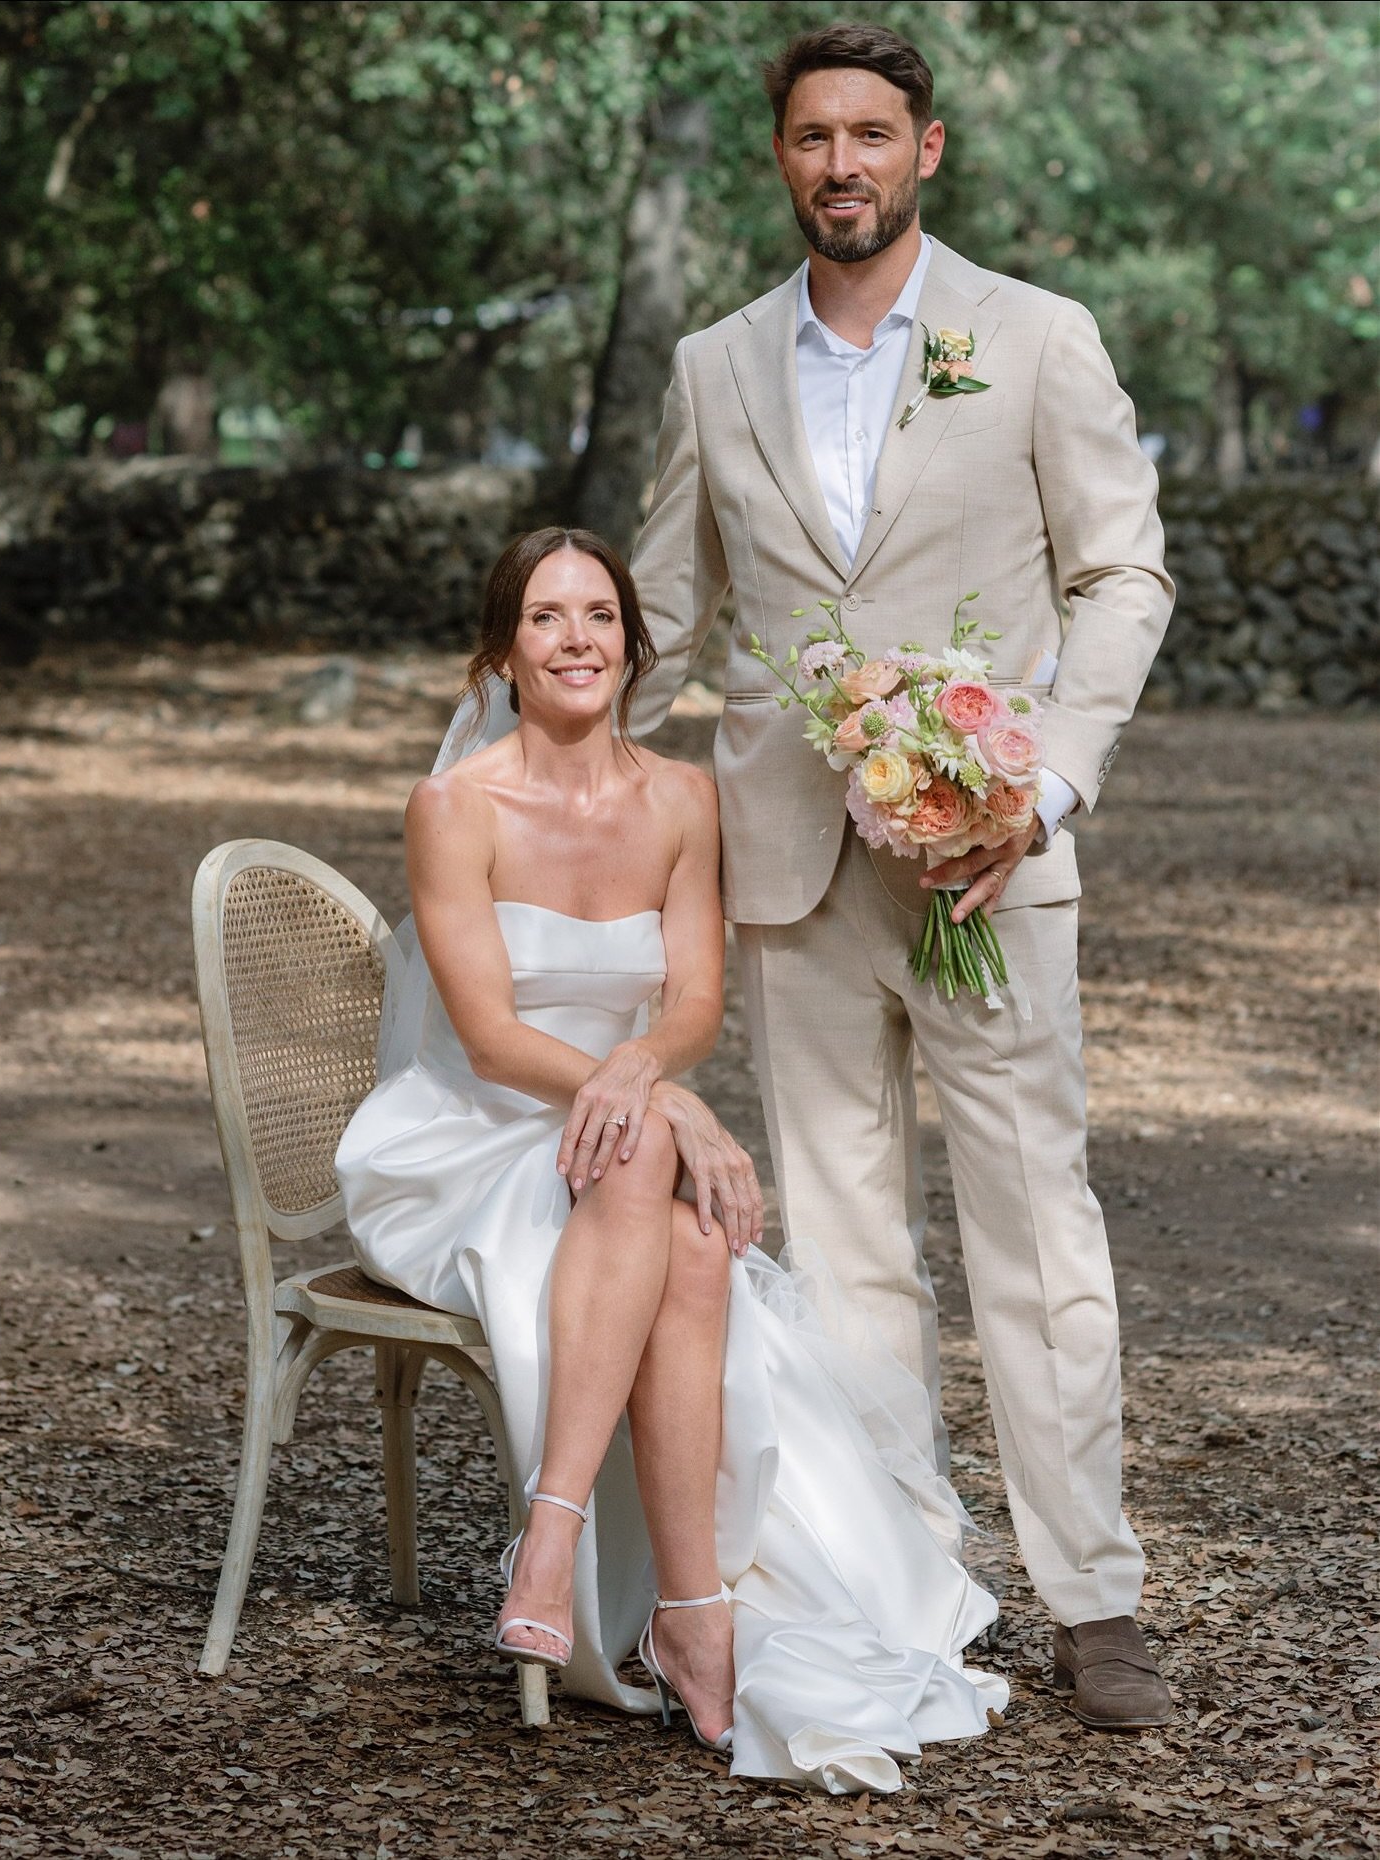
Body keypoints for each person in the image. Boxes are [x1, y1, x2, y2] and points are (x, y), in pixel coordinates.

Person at [627, 21, 1175, 1731]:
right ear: (780, 158)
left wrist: (1050, 783)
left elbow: (1123, 574)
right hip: (789, 872)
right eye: (813, 137)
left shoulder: (1034, 337)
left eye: (873, 133)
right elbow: (658, 612)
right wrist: (521, 747)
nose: (843, 163)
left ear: (924, 151)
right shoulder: (715, 366)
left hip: (985, 873)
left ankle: (1093, 1596)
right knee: (850, 1252)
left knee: (1036, 1235)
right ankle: (905, 1592)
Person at [335, 527, 1009, 1793]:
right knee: (660, 1173)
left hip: (610, 1124)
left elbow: (693, 1006)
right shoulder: (454, 806)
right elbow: (483, 1039)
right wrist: (660, 1102)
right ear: (503, 650)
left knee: (693, 1234)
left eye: (601, 615)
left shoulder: (683, 797)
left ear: (637, 647)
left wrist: (657, 1083)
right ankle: (628, 1579)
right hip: (468, 1138)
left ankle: (643, 1589)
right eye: (546, 618)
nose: (577, 639)